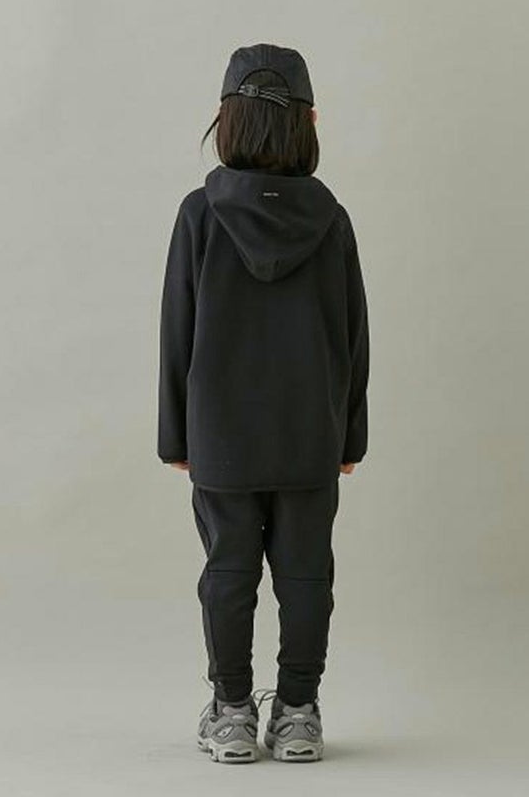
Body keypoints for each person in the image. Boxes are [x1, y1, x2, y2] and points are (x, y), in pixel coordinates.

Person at [156, 43, 370, 763]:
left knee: (228, 571)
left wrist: (175, 435)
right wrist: (350, 436)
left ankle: (232, 713)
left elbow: (178, 330)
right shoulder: (331, 217)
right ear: (309, 122)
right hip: (311, 430)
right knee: (307, 573)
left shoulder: (199, 214)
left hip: (220, 431)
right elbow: (353, 336)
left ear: (225, 119)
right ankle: (299, 713)